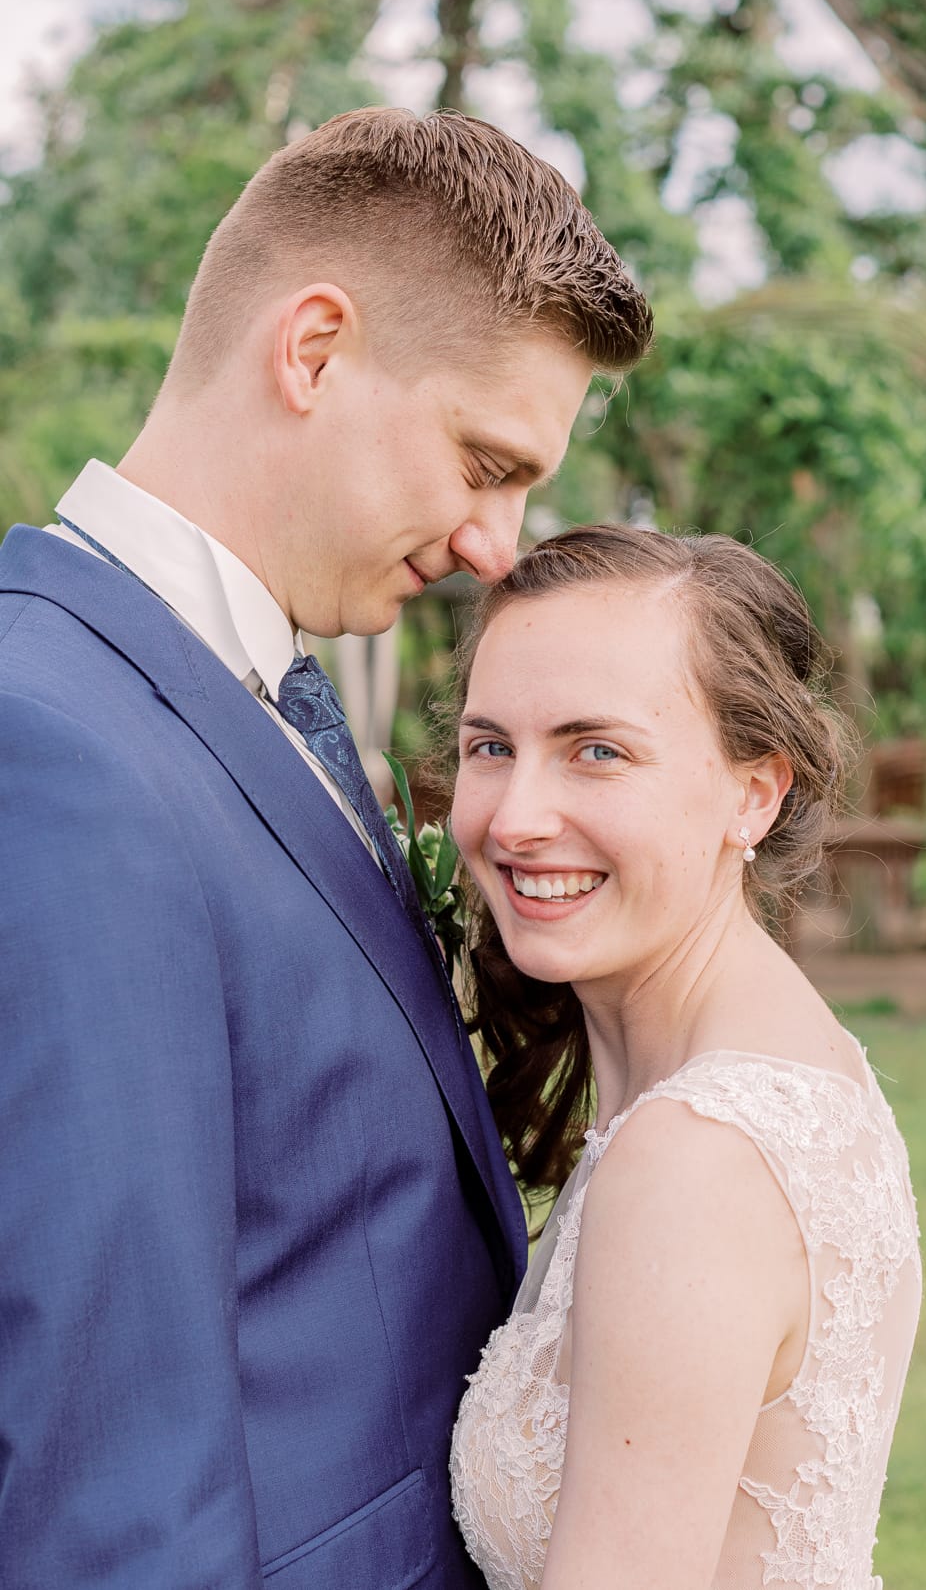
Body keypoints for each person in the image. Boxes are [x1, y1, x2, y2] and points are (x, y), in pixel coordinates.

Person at [0, 109, 651, 1587]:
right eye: (484, 461)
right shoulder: (50, 744)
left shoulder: (255, 699)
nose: (497, 541)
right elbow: (105, 1450)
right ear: (311, 350)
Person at [447, 526, 922, 1590]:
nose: (517, 817)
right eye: (491, 746)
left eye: (596, 750)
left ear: (753, 792)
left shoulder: (696, 1163)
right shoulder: (779, 1066)